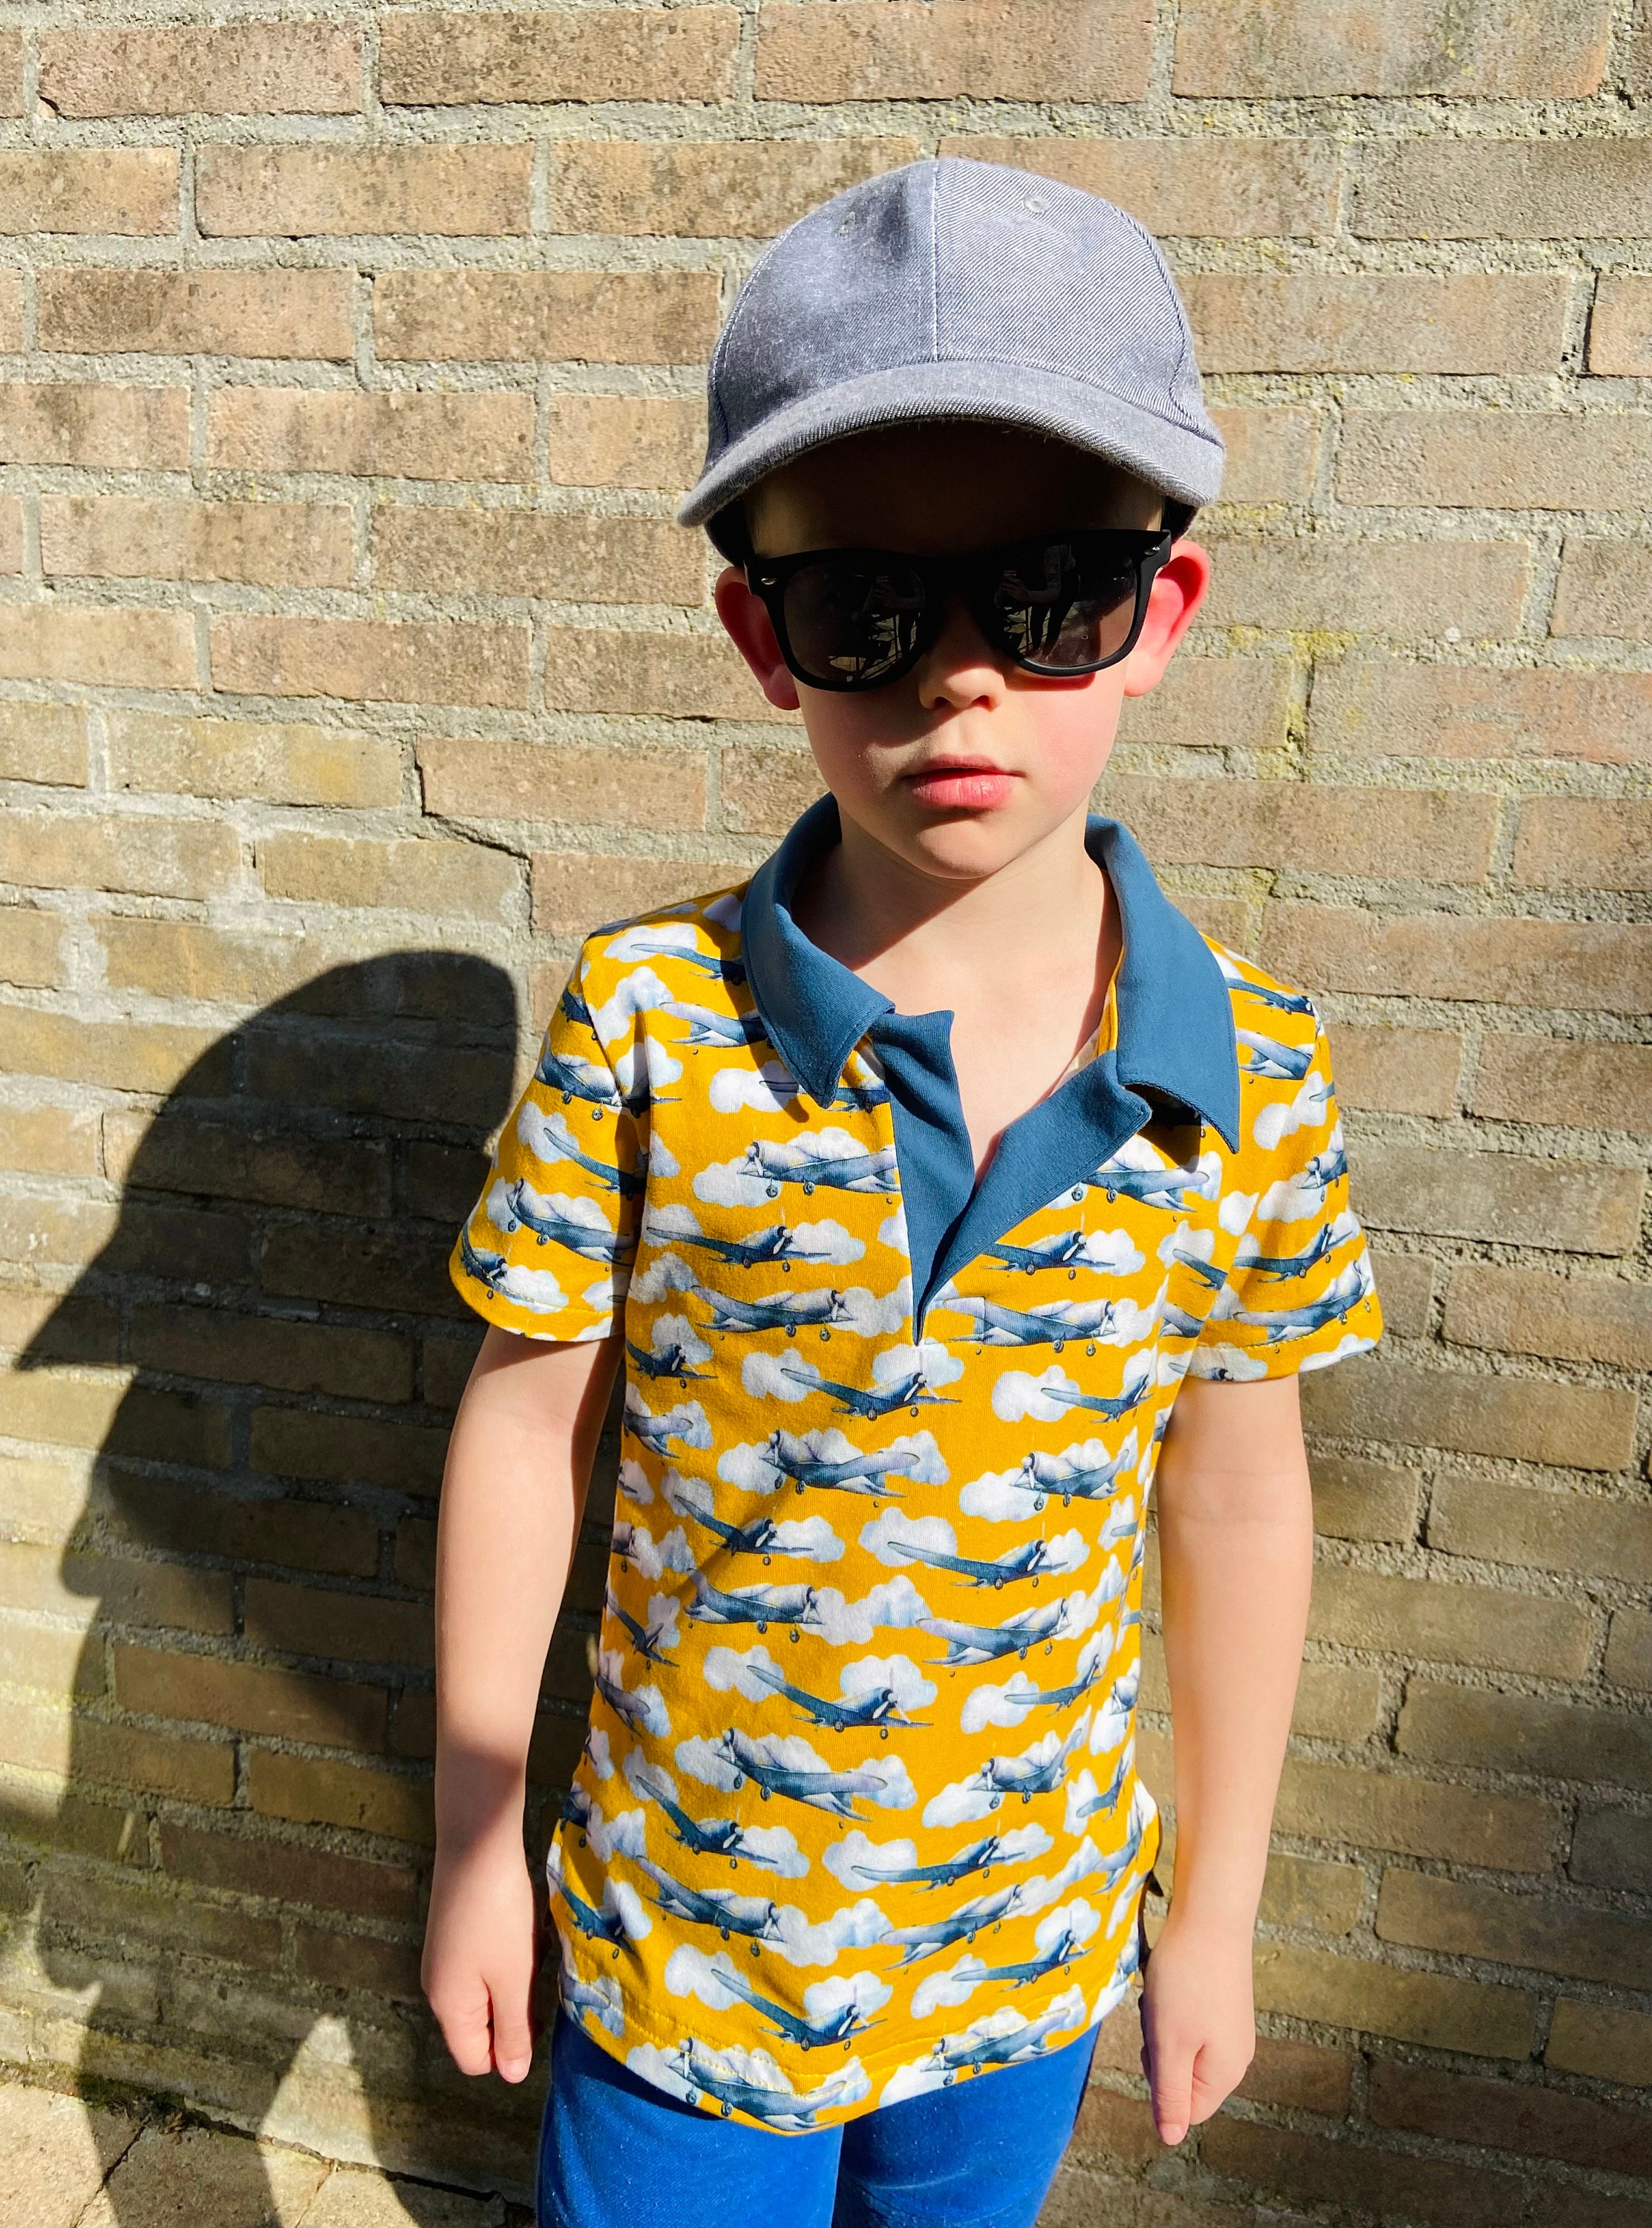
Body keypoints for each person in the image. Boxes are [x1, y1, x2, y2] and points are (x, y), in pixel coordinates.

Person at [420, 158, 1382, 2228]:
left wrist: (1214, 1913)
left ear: (1159, 616)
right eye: (866, 606)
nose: (959, 678)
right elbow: (524, 1425)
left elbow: (1236, 1497)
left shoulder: (1250, 1077)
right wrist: (475, 1837)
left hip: (1022, 1957)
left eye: (1049, 595)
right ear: (762, 636)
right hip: (687, 1957)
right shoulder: (648, 1022)